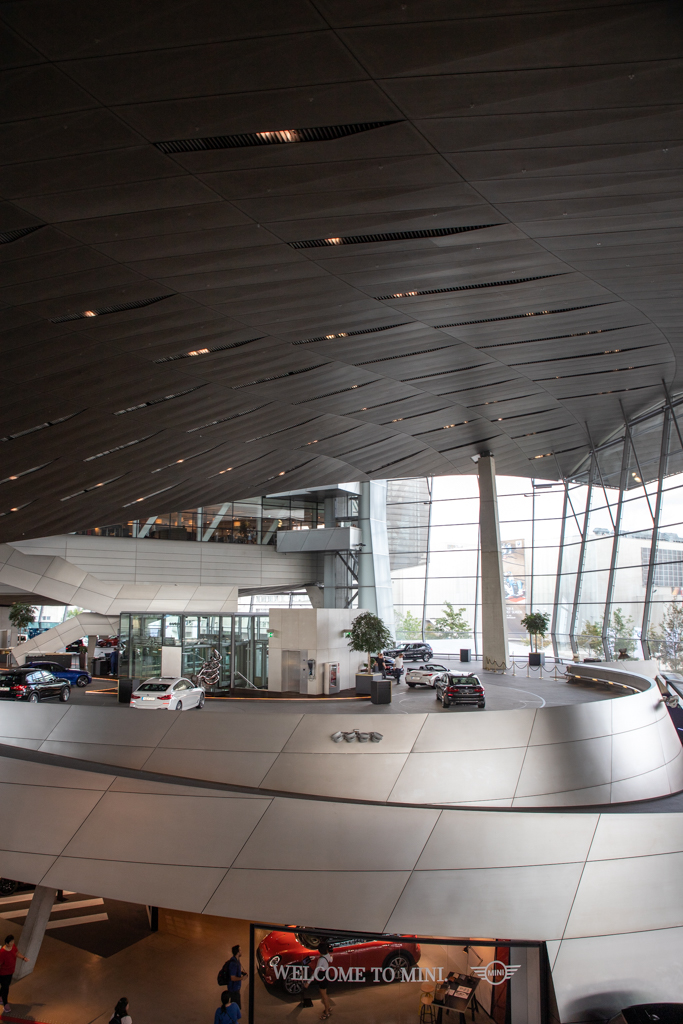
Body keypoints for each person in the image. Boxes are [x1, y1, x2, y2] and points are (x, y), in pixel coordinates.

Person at [0, 934, 29, 1012]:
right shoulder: (2, 952)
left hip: (10, 972)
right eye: (11, 942)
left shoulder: (13, 947)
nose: (13, 943)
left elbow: (16, 953)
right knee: (6, 988)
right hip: (3, 974)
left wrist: (23, 958)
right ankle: (5, 1004)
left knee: (5, 986)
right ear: (7, 943)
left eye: (13, 941)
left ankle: (0, 997)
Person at [226, 945, 248, 1009]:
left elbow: (235, 971)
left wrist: (241, 973)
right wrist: (242, 978)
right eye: (240, 950)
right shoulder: (234, 963)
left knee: (235, 1006)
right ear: (238, 952)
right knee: (236, 1007)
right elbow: (232, 978)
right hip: (234, 989)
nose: (241, 951)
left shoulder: (236, 960)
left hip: (236, 988)